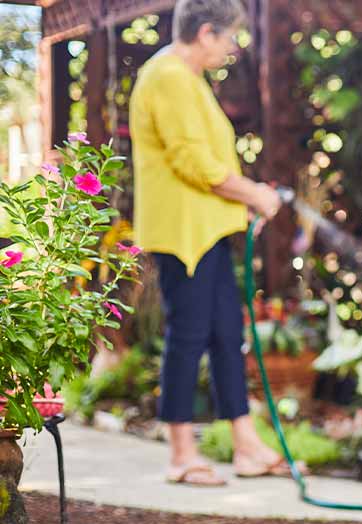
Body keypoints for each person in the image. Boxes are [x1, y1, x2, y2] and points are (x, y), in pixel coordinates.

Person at [130, 0, 292, 486]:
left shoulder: (186, 78)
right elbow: (191, 161)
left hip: (209, 229)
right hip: (184, 234)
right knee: (189, 336)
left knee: (226, 334)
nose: (231, 47)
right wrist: (254, 194)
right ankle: (181, 454)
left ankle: (246, 446)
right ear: (206, 33)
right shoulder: (169, 77)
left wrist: (237, 202)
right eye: (228, 38)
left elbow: (204, 161)